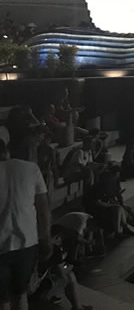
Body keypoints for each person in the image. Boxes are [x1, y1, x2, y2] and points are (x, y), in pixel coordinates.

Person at [0, 132, 51, 310]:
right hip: (27, 243)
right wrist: (46, 239)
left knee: (2, 299)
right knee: (20, 294)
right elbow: (44, 210)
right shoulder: (31, 168)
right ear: (6, 149)